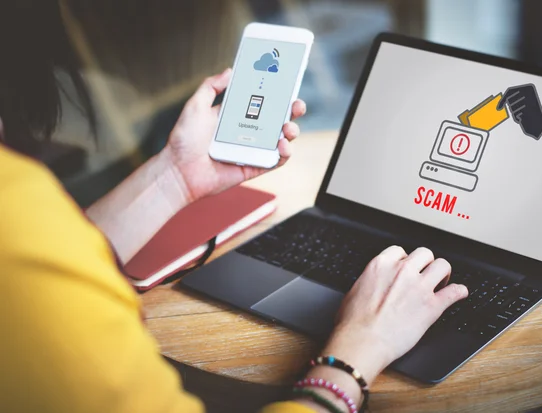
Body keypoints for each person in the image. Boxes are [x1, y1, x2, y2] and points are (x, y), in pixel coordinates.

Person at [0, 2, 468, 412]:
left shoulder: (21, 208)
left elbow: (55, 255)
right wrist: (361, 347)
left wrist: (175, 177)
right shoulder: (17, 216)